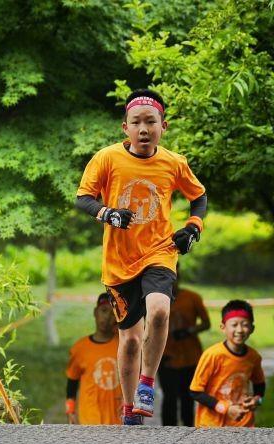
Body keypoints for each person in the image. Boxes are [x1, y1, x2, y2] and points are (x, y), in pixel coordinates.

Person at [75, 89, 208, 425]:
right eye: (136, 123)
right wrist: (108, 213)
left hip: (160, 252)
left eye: (151, 122)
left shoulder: (174, 163)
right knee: (131, 339)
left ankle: (147, 384)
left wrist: (192, 228)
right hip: (118, 263)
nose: (144, 129)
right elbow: (83, 197)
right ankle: (129, 409)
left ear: (163, 126)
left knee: (160, 311)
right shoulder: (107, 158)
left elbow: (199, 197)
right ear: (125, 127)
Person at [189, 300, 266, 428]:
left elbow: (260, 384)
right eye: (234, 325)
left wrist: (257, 400)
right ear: (223, 327)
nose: (239, 330)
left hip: (243, 424)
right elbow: (195, 391)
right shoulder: (212, 355)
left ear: (252, 329)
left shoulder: (254, 357)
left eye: (245, 325)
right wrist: (226, 409)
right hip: (211, 426)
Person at [160, 266, 210, 426]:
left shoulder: (192, 297)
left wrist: (189, 331)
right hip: (165, 357)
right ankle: (167, 434)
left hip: (190, 357)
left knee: (187, 398)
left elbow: (206, 323)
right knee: (169, 398)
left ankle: (188, 432)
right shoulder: (156, 299)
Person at [65, 293, 123, 425]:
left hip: (118, 418)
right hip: (90, 417)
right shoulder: (80, 348)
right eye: (104, 311)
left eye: (112, 313)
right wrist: (70, 409)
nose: (107, 317)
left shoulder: (123, 345)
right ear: (95, 312)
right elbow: (72, 380)